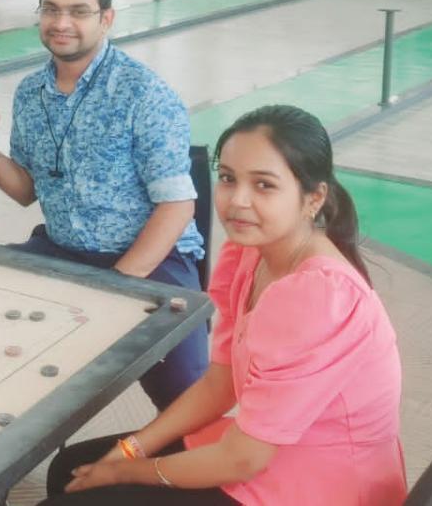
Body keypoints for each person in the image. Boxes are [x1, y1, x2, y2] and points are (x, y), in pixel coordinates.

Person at [40, 105, 405, 506]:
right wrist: (132, 449)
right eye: (228, 179)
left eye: (264, 185)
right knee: (70, 467)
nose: (238, 201)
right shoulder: (251, 253)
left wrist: (126, 471)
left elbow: (243, 460)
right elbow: (220, 383)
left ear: (313, 198)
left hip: (316, 486)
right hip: (264, 451)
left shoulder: (317, 296)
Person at [0, 0, 207, 410]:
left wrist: (115, 286)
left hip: (150, 258)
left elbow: (177, 207)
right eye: (51, 9)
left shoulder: (143, 94)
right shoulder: (30, 94)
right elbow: (25, 191)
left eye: (78, 11)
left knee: (186, 400)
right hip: (62, 249)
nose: (61, 23)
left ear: (106, 18)